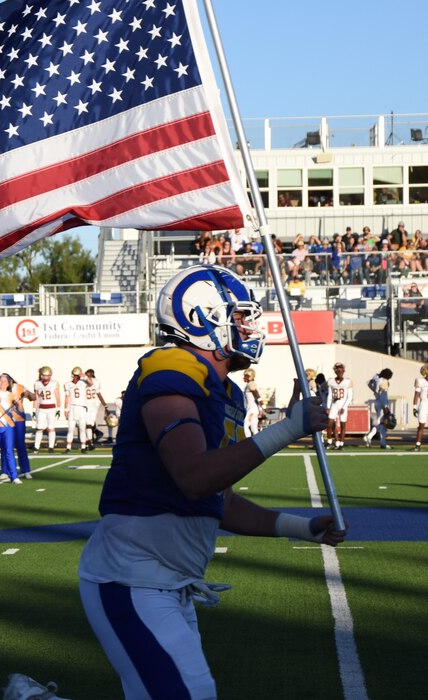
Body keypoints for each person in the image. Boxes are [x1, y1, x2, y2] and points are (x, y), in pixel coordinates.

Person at [78, 264, 345, 700]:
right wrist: (285, 430)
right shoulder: (171, 367)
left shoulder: (228, 393)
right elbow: (194, 478)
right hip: (131, 579)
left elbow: (219, 500)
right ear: (200, 319)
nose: (250, 327)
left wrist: (303, 527)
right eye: (240, 316)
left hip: (168, 583)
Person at [0, 374, 21, 484]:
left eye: (5, 381)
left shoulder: (11, 395)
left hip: (8, 427)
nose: (2, 382)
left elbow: (20, 409)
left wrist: (19, 403)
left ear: (8, 383)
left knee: (9, 451)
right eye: (1, 380)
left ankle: (14, 476)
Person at [33, 366, 62, 453]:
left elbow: (58, 397)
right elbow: (36, 398)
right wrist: (34, 410)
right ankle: (36, 447)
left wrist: (58, 409)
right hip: (41, 408)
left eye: (48, 375)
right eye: (44, 375)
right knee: (39, 428)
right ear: (41, 375)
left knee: (51, 427)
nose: (46, 377)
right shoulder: (37, 383)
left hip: (51, 408)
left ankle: (51, 447)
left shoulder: (54, 383)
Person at [363, 368, 394, 449]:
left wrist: (375, 391)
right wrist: (386, 407)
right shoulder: (384, 381)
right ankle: (369, 437)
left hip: (377, 402)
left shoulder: (376, 378)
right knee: (382, 423)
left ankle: (382, 443)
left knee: (382, 424)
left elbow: (368, 383)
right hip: (382, 402)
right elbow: (383, 395)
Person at [325, 362, 353, 450]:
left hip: (342, 405)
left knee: (342, 425)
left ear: (343, 370)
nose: (339, 371)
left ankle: (341, 443)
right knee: (329, 423)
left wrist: (344, 407)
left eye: (340, 369)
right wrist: (328, 407)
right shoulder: (331, 381)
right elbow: (330, 396)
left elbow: (350, 397)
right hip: (334, 404)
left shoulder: (348, 381)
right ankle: (329, 442)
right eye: (338, 369)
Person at [64, 366, 91, 453]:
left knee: (82, 428)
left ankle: (83, 447)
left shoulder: (83, 382)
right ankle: (68, 447)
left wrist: (84, 376)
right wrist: (65, 409)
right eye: (75, 375)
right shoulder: (67, 384)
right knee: (71, 428)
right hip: (72, 407)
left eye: (77, 375)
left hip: (81, 407)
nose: (76, 377)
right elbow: (67, 397)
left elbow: (91, 383)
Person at [243, 368, 262, 436]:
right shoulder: (251, 384)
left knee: (245, 425)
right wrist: (260, 409)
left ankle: (247, 443)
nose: (244, 377)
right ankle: (259, 443)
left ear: (250, 376)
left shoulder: (251, 384)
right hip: (253, 409)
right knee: (254, 429)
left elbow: (257, 394)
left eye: (246, 375)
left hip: (252, 410)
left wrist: (262, 408)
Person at [413, 364, 428, 451]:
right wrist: (414, 407)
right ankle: (417, 445)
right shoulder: (420, 381)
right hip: (424, 404)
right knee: (421, 425)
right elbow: (416, 395)